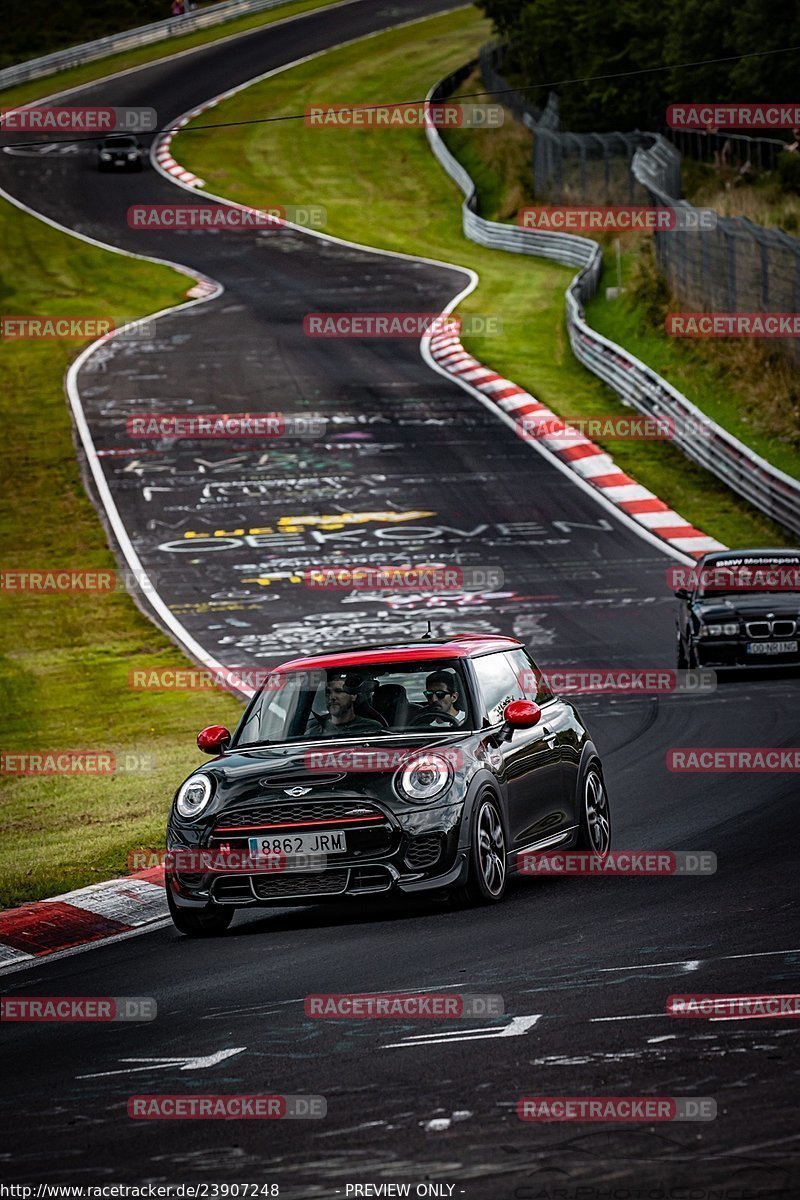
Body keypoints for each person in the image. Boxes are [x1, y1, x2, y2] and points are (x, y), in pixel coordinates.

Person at [311, 674, 385, 738]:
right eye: (328, 692)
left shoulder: (370, 728)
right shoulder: (314, 731)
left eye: (339, 691)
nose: (332, 697)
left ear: (353, 696)